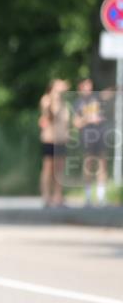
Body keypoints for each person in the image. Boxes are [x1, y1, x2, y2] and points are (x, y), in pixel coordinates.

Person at [73, 78, 107, 207]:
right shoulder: (78, 103)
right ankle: (88, 197)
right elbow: (76, 123)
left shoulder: (96, 98)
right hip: (87, 137)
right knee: (88, 165)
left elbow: (107, 94)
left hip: (100, 135)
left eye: (90, 85)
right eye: (86, 85)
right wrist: (88, 119)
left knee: (102, 165)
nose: (89, 88)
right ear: (80, 87)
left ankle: (101, 197)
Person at [39, 79, 69, 207]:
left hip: (61, 139)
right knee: (48, 169)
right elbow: (48, 115)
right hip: (50, 139)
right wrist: (53, 100)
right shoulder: (47, 100)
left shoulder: (64, 103)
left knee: (59, 169)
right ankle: (46, 196)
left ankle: (58, 196)